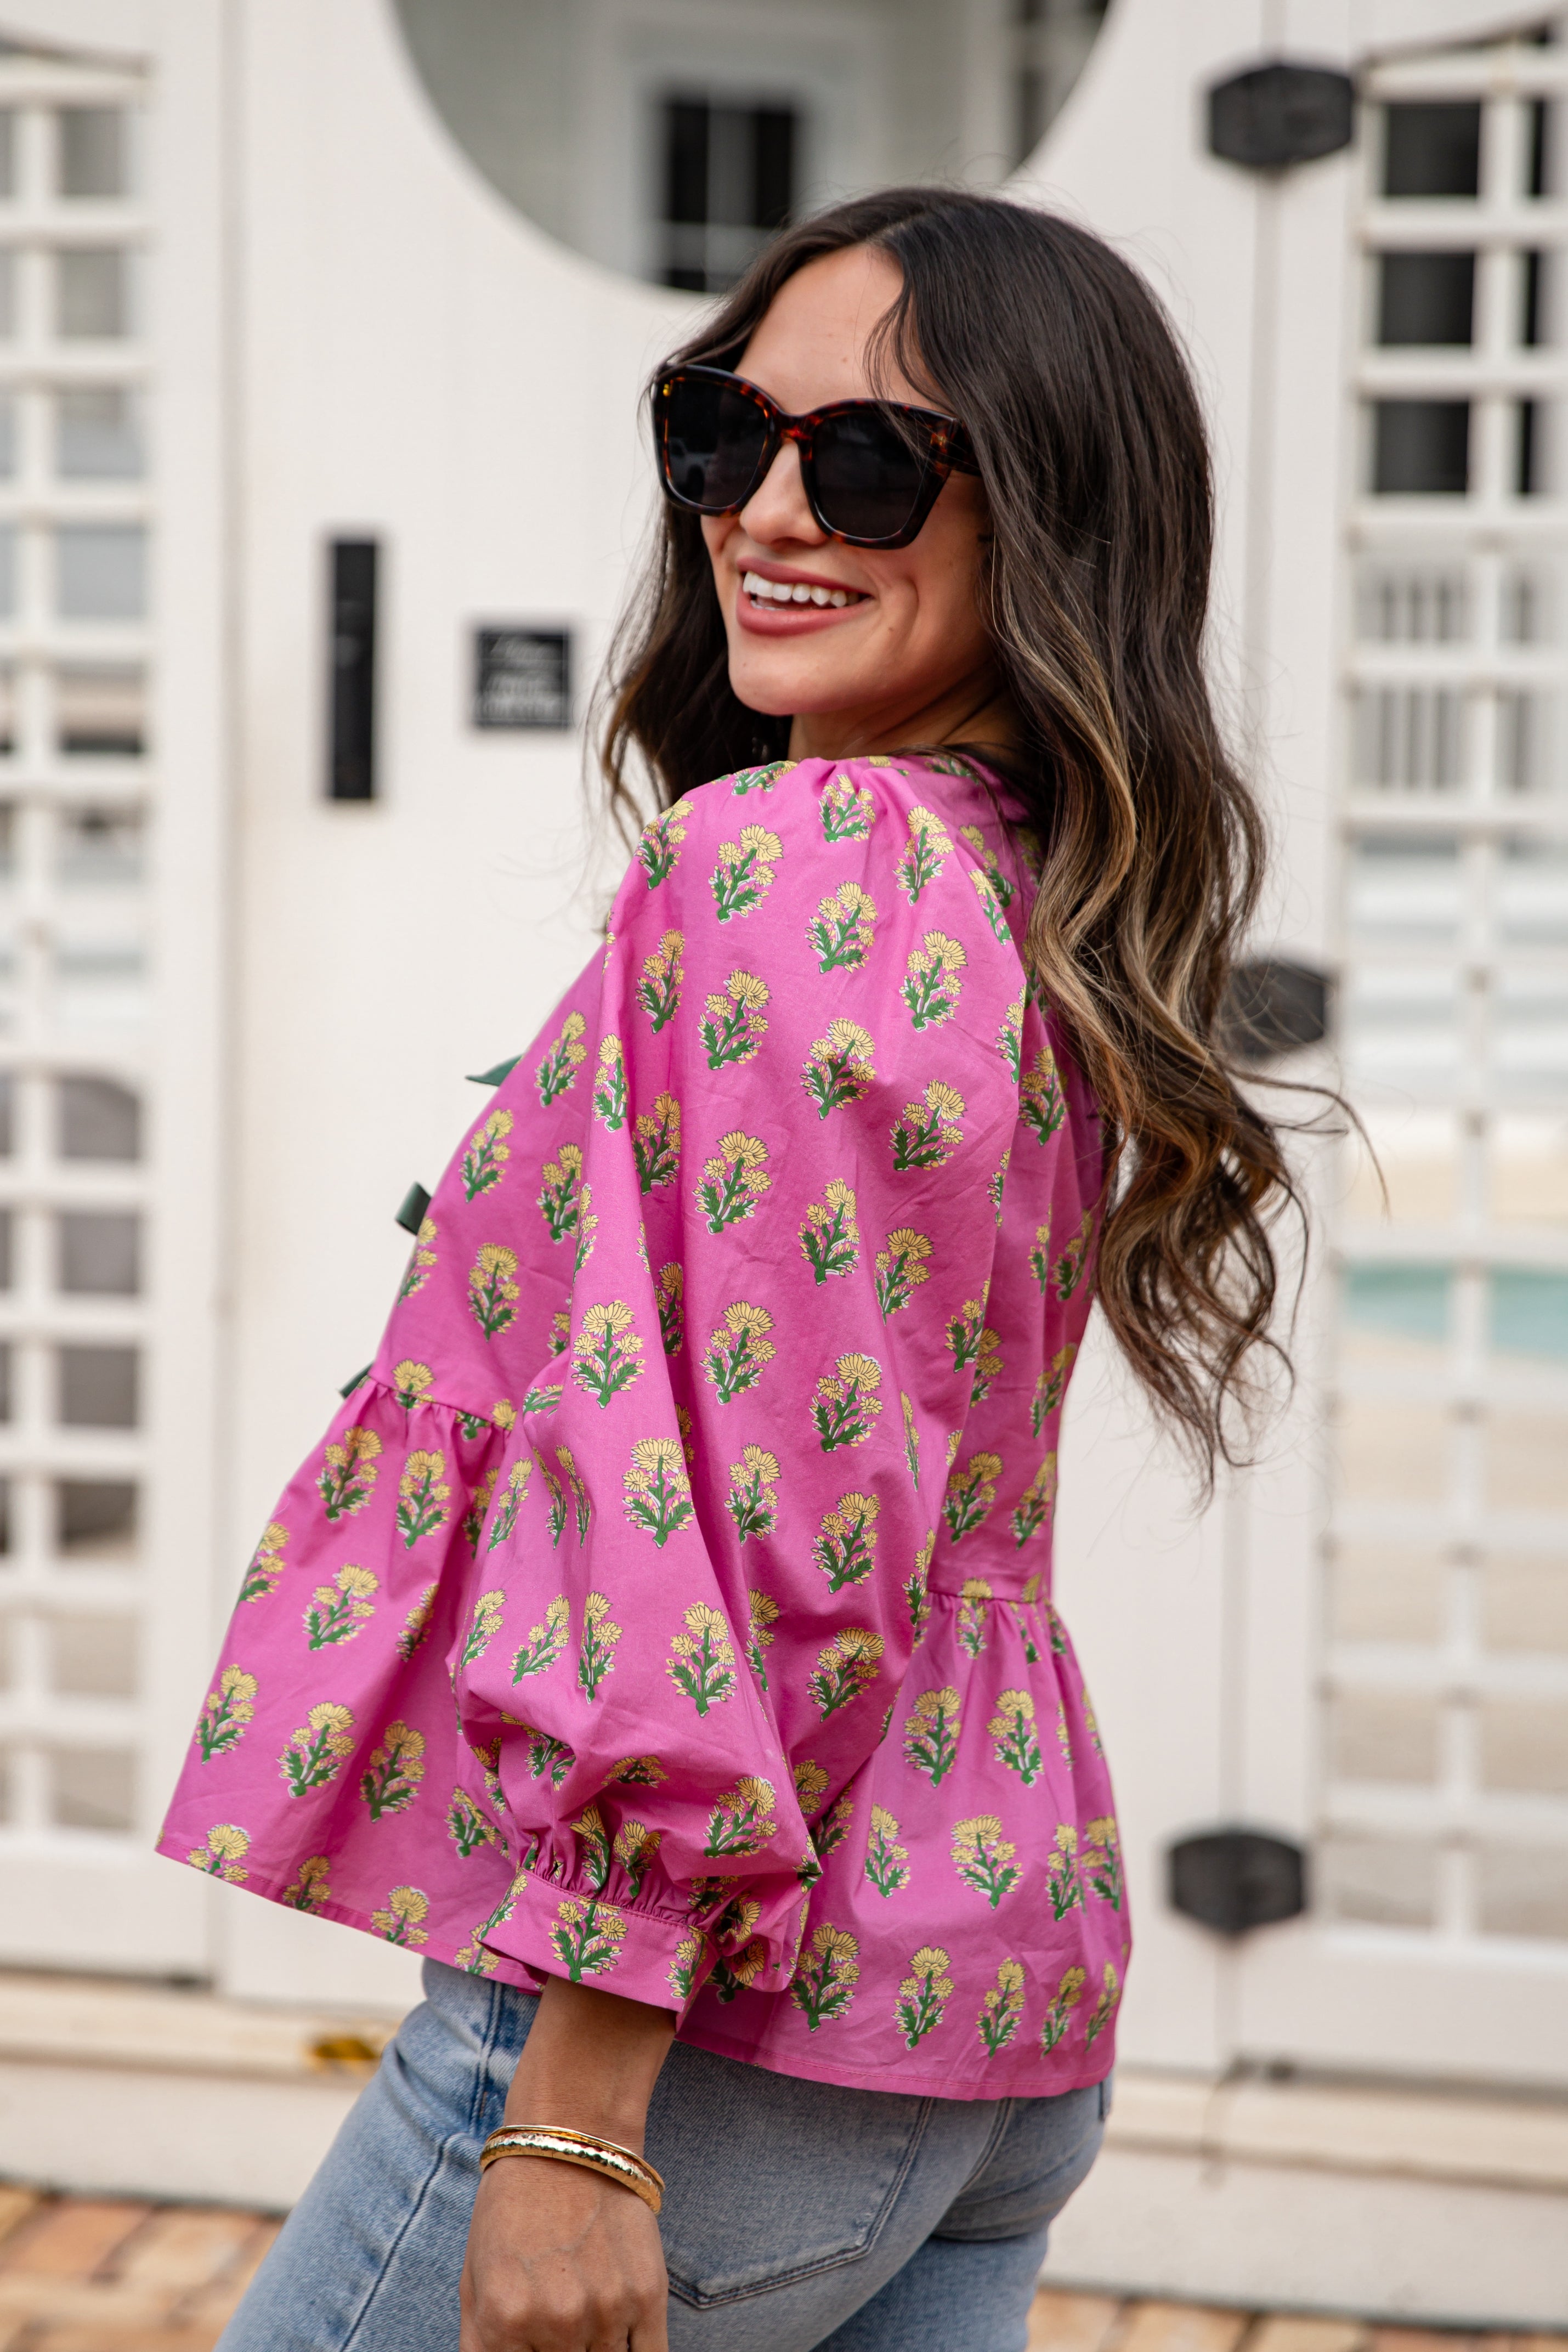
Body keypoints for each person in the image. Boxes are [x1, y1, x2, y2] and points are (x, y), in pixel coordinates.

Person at [160, 186, 1292, 2352]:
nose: (765, 512)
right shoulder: (1027, 883)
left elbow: (770, 1520)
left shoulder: (797, 864)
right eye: (719, 432)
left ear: (1044, 509)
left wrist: (575, 2110)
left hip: (693, 2044)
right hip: (982, 2005)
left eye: (867, 460)